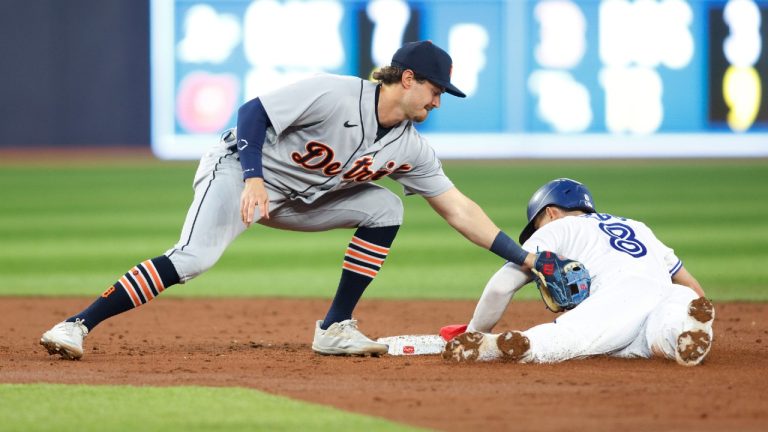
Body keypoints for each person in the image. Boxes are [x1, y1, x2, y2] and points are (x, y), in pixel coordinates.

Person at [40, 41, 545, 360]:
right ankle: (76, 324)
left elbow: (459, 208)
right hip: (240, 170)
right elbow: (251, 113)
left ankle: (334, 328)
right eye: (436, 90)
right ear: (407, 78)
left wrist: (525, 258)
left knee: (386, 207)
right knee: (195, 257)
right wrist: (254, 178)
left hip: (301, 198)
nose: (438, 102)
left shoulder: (411, 145)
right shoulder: (335, 94)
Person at [442, 178, 715, 366]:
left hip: (617, 298)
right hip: (666, 294)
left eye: (536, 224)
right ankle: (683, 330)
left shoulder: (557, 228)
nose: (537, 231)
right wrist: (695, 304)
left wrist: (475, 331)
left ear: (550, 213)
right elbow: (690, 285)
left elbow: (502, 285)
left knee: (571, 337)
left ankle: (502, 345)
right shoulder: (636, 226)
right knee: (659, 330)